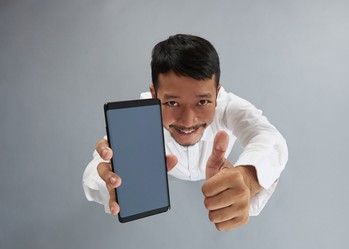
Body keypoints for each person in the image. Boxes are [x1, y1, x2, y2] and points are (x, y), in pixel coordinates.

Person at [83, 34, 288, 231]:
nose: (188, 121)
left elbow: (269, 138)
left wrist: (247, 178)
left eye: (202, 102)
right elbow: (97, 167)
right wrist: (111, 182)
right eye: (172, 102)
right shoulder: (139, 116)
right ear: (154, 94)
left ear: (217, 94)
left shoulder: (229, 106)